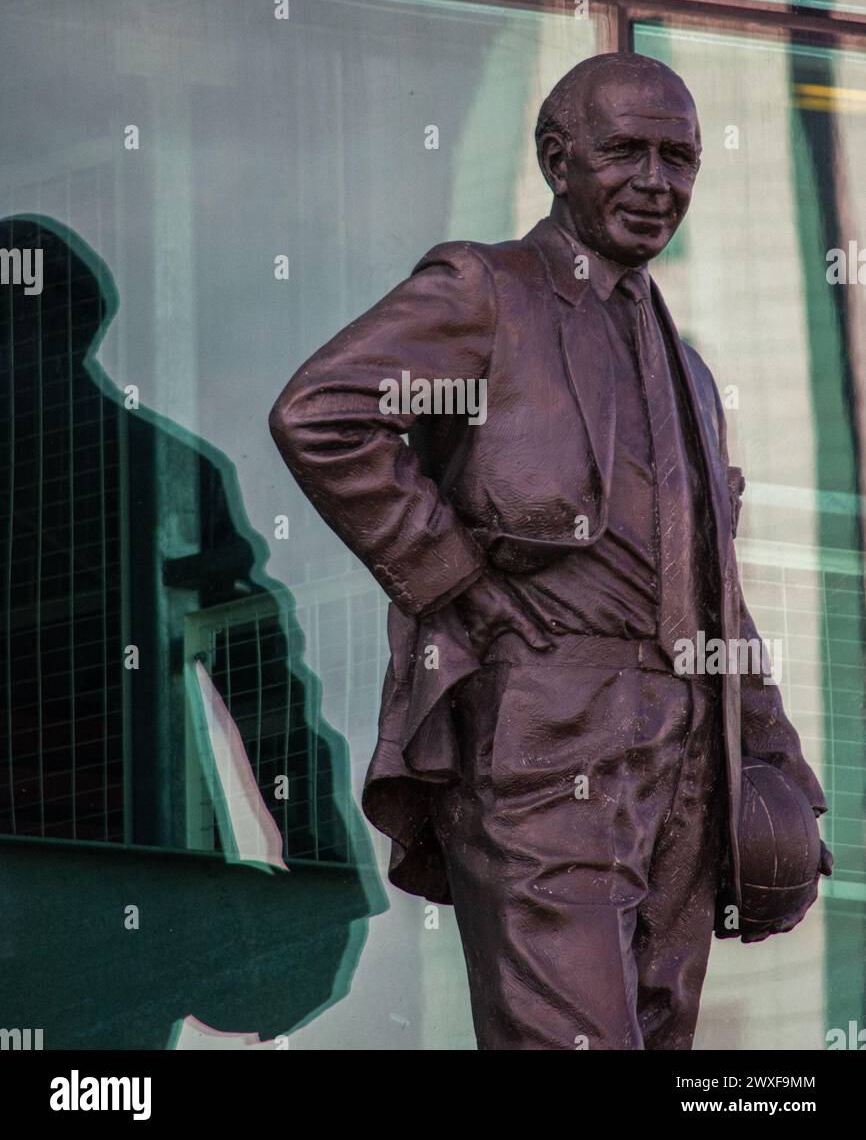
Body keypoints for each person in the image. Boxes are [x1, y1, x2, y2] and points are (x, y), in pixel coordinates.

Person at [269, 52, 829, 1050]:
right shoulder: (486, 291)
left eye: (679, 158)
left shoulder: (688, 371)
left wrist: (773, 755)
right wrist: (459, 584)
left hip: (682, 754)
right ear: (554, 158)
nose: (656, 184)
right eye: (625, 153)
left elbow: (713, 590)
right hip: (542, 731)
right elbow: (322, 414)